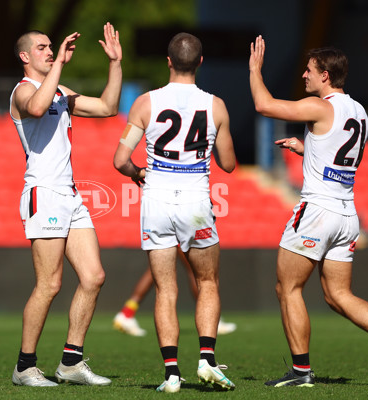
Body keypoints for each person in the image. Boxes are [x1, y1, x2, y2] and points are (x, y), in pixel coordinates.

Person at [249, 35, 368, 388]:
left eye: (309, 71)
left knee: (287, 288)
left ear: (325, 75)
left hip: (317, 211)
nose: (304, 76)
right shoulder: (359, 111)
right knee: (338, 295)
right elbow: (339, 153)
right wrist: (305, 148)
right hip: (347, 214)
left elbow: (263, 105)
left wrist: (255, 69)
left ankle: (301, 372)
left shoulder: (321, 106)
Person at [113, 32, 237, 393]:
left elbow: (120, 161)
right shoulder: (215, 106)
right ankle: (207, 360)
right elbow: (228, 165)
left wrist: (138, 173)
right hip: (196, 203)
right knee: (208, 282)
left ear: (168, 62)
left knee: (165, 290)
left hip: (156, 202)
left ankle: (170, 374)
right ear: (200, 62)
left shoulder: (144, 103)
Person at [9, 23, 122, 388]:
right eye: (41, 47)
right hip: (44, 193)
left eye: (51, 47)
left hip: (70, 195)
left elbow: (107, 107)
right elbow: (38, 108)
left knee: (94, 276)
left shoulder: (59, 91)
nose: (48, 50)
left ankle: (71, 363)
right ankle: (25, 367)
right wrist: (59, 63)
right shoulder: (23, 91)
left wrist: (115, 64)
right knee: (50, 284)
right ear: (25, 57)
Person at [113, 246, 237, 336]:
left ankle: (127, 313)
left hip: (164, 223)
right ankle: (213, 319)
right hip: (177, 222)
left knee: (156, 270)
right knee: (195, 270)